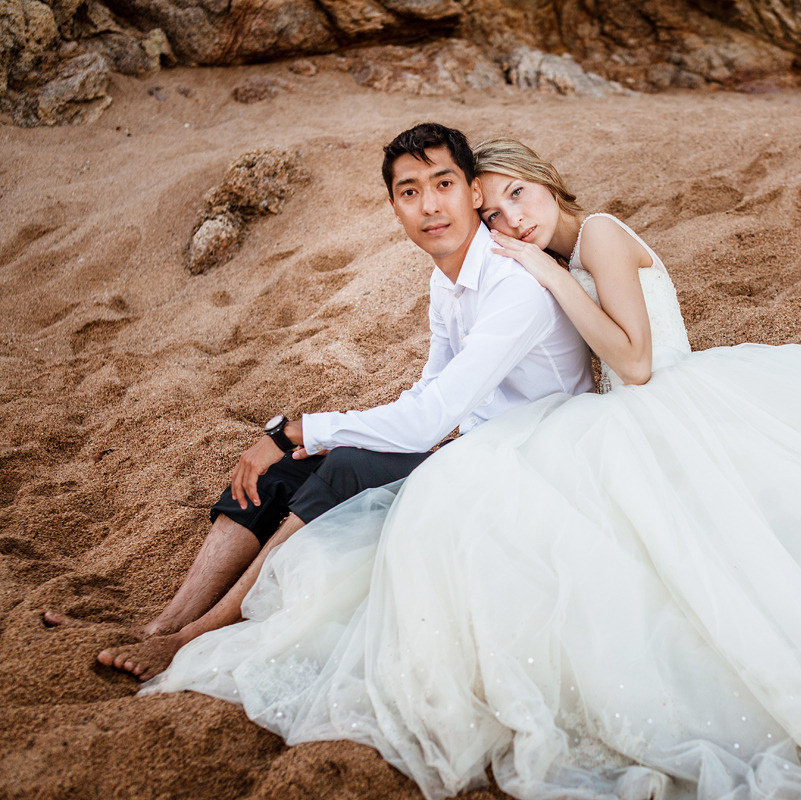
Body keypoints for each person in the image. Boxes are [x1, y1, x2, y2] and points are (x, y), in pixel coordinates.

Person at [143, 136, 801, 800]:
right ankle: (193, 614)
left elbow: (639, 362)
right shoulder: (526, 262)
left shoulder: (591, 232)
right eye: (496, 206)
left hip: (672, 404)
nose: (508, 219)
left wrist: (541, 276)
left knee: (781, 564)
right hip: (618, 418)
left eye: (512, 196)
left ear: (542, 186)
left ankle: (204, 619)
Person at [44, 123, 592, 681]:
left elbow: (432, 417)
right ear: (394, 207)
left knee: (343, 463)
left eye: (443, 183)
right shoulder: (446, 278)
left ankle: (193, 639)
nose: (430, 206)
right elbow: (429, 390)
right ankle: (162, 625)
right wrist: (302, 440)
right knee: (287, 466)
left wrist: (299, 428)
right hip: (477, 448)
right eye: (409, 192)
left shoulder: (514, 285)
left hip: (530, 465)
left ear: (474, 192)